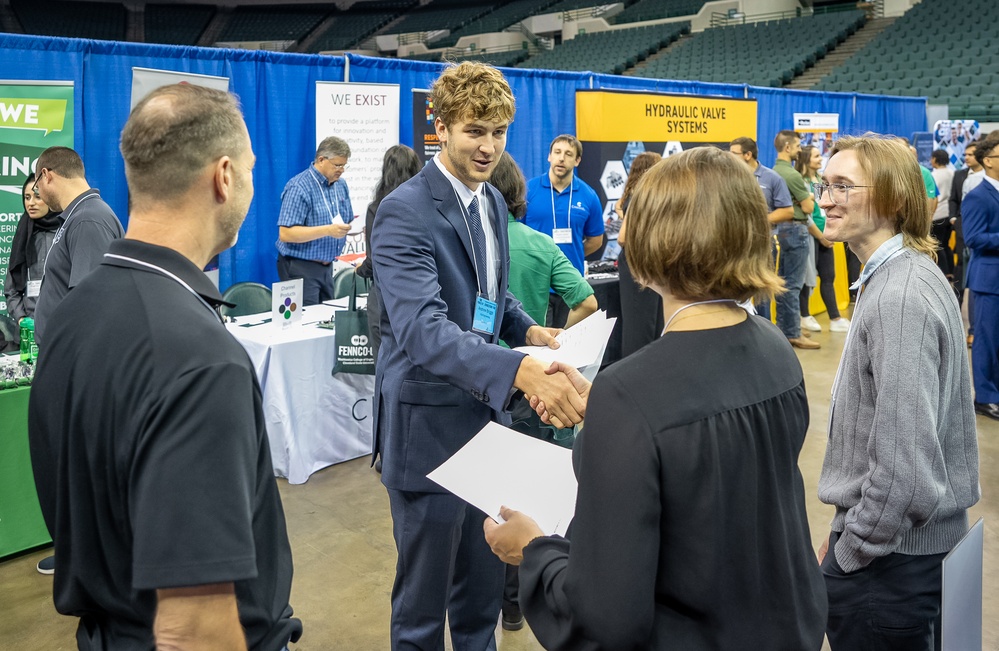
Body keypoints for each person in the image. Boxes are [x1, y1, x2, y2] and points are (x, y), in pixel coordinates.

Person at [483, 146, 828, 650]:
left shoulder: (632, 397)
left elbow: (604, 619)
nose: (621, 235)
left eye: (633, 222)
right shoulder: (776, 351)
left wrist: (534, 551)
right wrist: (606, 416)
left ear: (659, 244)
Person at [28, 83, 302, 650]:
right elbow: (193, 630)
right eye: (249, 169)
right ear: (224, 176)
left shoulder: (75, 313)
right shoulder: (200, 359)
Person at [369, 61, 586, 651]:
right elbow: (421, 328)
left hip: (486, 429)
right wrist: (515, 368)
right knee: (422, 607)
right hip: (428, 431)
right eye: (474, 131)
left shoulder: (490, 202)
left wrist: (528, 329)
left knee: (479, 597)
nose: (488, 146)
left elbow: (489, 290)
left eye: (498, 132)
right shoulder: (403, 211)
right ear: (439, 127)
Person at [815, 135, 980, 650]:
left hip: (889, 569)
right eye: (825, 184)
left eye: (843, 186)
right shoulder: (904, 276)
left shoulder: (899, 297)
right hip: (902, 559)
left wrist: (852, 550)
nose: (824, 200)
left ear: (892, 199)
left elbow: (905, 471)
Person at [489, 150, 597, 631]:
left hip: (481, 382)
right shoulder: (537, 244)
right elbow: (587, 301)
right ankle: (516, 604)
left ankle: (484, 594)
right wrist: (559, 341)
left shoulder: (476, 245)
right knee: (525, 494)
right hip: (533, 389)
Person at [30, 146, 124, 347]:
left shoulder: (87, 219)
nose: (40, 195)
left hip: (72, 356)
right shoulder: (80, 216)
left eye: (37, 188)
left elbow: (91, 302)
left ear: (46, 175)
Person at [523, 134, 604, 327]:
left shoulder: (588, 195)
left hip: (570, 284)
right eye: (557, 152)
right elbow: (516, 232)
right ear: (549, 156)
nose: (561, 158)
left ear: (577, 161)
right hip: (536, 282)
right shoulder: (529, 190)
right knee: (538, 344)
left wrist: (565, 259)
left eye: (568, 154)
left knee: (567, 344)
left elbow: (596, 240)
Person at [356, 144, 422, 361]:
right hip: (419, 295)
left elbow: (375, 260)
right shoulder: (426, 206)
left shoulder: (378, 208)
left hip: (384, 296)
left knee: (384, 367)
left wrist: (360, 270)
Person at [276, 135, 354, 305]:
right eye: (337, 165)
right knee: (306, 325)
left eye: (344, 165)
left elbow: (347, 218)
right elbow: (286, 233)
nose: (341, 170)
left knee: (326, 321)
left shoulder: (341, 185)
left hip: (327, 267)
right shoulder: (299, 187)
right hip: (300, 267)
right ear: (321, 160)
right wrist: (327, 230)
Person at [729, 136, 793, 321]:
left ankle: (763, 330)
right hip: (735, 245)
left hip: (763, 244)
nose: (729, 157)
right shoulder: (729, 178)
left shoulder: (772, 178)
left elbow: (787, 211)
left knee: (760, 291)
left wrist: (758, 220)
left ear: (748, 155)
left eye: (734, 154)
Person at [962, 135, 999, 421]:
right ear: (988, 161)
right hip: (989, 280)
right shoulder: (978, 196)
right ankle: (985, 398)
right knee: (986, 340)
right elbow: (973, 237)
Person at [772, 130, 820, 349]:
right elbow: (809, 207)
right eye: (799, 146)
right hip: (796, 230)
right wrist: (807, 198)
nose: (801, 150)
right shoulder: (792, 176)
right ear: (788, 147)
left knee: (783, 282)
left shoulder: (772, 172)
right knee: (793, 284)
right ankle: (792, 332)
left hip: (780, 231)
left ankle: (787, 328)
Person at [3, 174, 62, 349]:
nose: (31, 203)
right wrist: (22, 319)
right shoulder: (23, 234)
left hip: (58, 333)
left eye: (38, 196)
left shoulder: (65, 232)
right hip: (26, 337)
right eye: (27, 197)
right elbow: (11, 288)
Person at [795, 145, 849, 333]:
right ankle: (805, 316)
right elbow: (805, 214)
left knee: (828, 277)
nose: (820, 159)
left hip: (825, 235)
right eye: (817, 156)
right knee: (806, 278)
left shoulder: (820, 180)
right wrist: (820, 236)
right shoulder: (799, 181)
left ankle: (834, 318)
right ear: (806, 159)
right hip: (810, 236)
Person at [614, 151, 663, 357]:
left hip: (642, 262)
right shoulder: (641, 196)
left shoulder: (634, 194)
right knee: (641, 325)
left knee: (647, 322)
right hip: (638, 262)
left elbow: (619, 208)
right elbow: (623, 237)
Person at [929, 148, 955, 278]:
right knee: (946, 244)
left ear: (935, 159)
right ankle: (951, 270)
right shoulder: (952, 173)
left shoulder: (933, 175)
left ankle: (944, 273)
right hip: (949, 214)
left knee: (938, 245)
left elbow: (933, 196)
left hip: (937, 214)